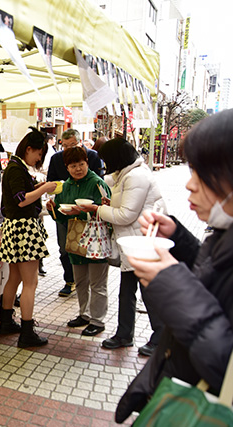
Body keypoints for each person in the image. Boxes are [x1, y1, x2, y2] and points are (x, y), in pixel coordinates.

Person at [115, 109, 233, 423]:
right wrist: (179, 238)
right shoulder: (223, 232)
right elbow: (217, 282)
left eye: (202, 173)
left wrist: (171, 283)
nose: (190, 186)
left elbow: (225, 362)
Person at [78, 138, 166, 356]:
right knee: (127, 293)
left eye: (107, 159)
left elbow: (126, 215)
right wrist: (108, 205)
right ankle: (124, 334)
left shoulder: (136, 176)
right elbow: (123, 206)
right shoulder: (126, 174)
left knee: (150, 294)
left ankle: (161, 338)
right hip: (133, 244)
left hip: (143, 244)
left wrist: (97, 209)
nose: (106, 164)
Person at [0, 127, 57, 346]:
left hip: (15, 228)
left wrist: (40, 186)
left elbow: (21, 193)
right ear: (29, 149)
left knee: (14, 277)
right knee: (30, 282)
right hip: (25, 228)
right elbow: (22, 199)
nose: (39, 157)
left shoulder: (16, 167)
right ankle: (27, 331)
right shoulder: (15, 169)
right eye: (39, 153)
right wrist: (44, 189)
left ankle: (5, 322)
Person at [46, 147, 112, 337]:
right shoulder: (65, 186)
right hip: (75, 240)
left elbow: (107, 213)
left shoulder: (97, 183)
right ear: (66, 168)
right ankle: (84, 314)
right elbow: (61, 216)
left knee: (98, 284)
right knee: (81, 281)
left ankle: (98, 321)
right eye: (73, 166)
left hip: (96, 241)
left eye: (81, 164)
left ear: (87, 163)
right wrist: (52, 209)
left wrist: (82, 212)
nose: (78, 169)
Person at [47, 128, 103, 297]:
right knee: (65, 248)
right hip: (65, 208)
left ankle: (87, 284)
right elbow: (51, 181)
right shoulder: (57, 158)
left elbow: (99, 185)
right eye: (65, 146)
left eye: (72, 145)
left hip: (89, 213)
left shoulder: (93, 157)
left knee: (87, 249)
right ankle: (69, 281)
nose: (77, 168)